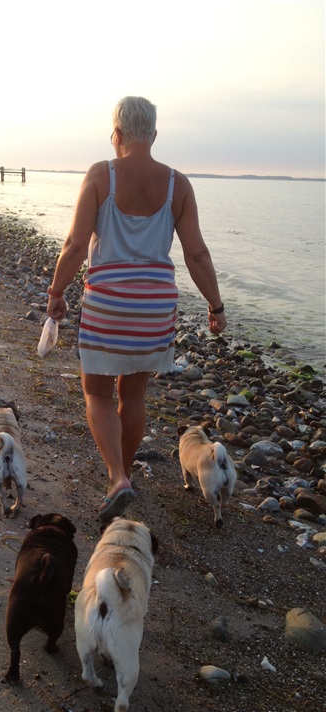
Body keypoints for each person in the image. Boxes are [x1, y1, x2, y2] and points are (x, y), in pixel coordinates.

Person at [46, 96, 227, 522]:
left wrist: (56, 291)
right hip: (155, 305)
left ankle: (116, 478)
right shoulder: (178, 184)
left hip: (108, 300)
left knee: (97, 392)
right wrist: (216, 305)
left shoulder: (101, 175)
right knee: (134, 394)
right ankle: (125, 473)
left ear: (117, 135)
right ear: (154, 135)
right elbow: (196, 254)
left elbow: (75, 245)